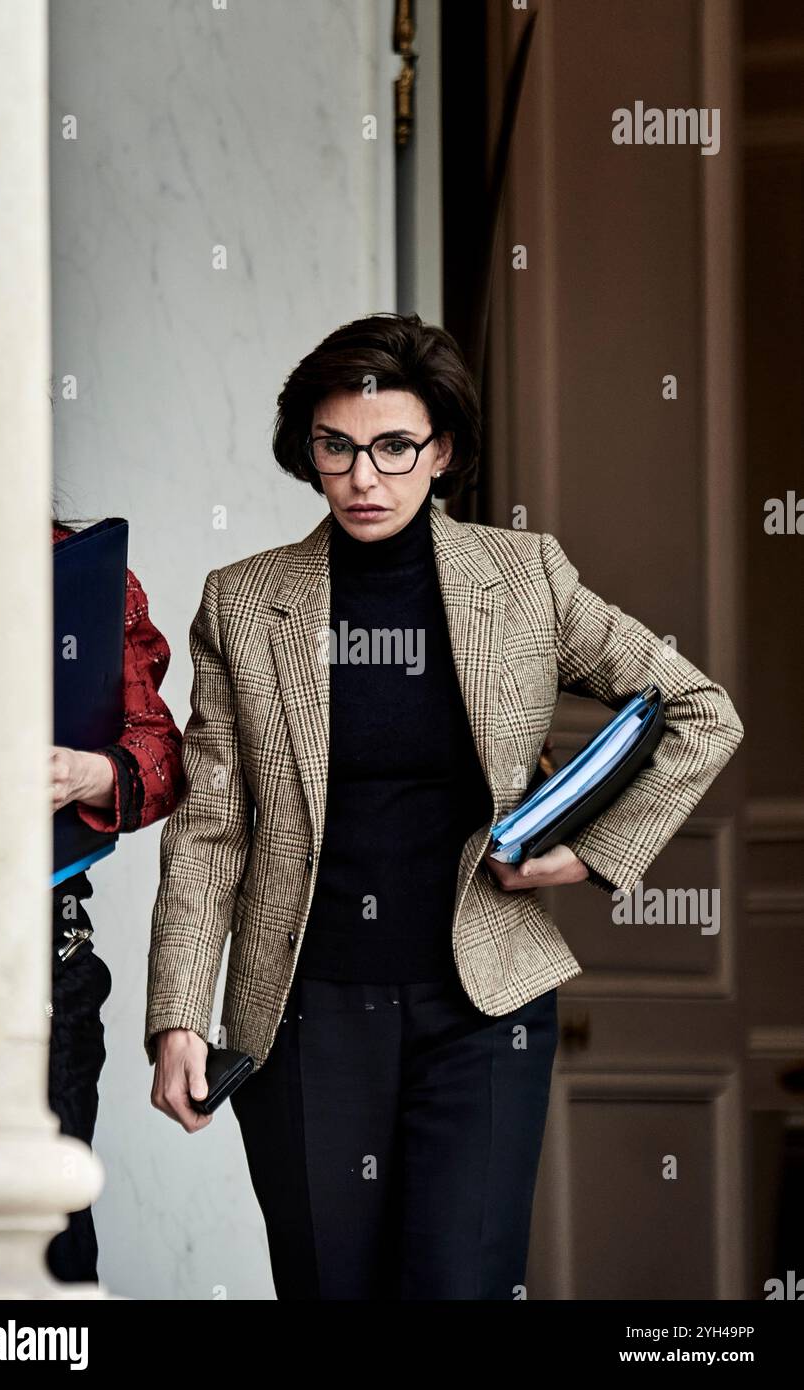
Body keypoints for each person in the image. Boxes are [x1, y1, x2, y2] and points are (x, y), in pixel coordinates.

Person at [144, 312, 744, 1300]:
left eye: (392, 447)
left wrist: (590, 856)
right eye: (336, 447)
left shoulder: (524, 578)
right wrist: (178, 1013)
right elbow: (210, 827)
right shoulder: (244, 603)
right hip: (302, 1014)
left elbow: (699, 709)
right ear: (311, 452)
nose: (364, 477)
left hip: (484, 1012)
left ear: (442, 451)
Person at [48, 519, 185, 1283]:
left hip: (35, 952)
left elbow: (160, 754)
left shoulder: (78, 569)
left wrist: (82, 774)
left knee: (48, 1233)